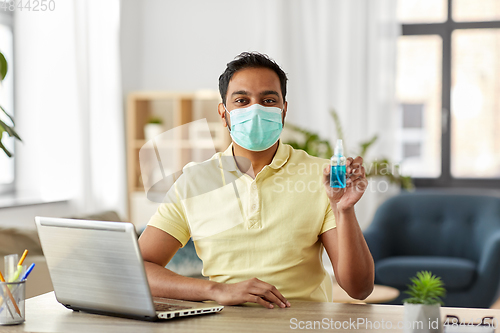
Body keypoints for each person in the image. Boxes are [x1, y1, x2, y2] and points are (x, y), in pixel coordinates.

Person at [138, 52, 374, 309]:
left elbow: (359, 288)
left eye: (268, 100)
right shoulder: (193, 182)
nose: (256, 109)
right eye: (242, 100)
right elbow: (139, 268)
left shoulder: (322, 177)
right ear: (223, 112)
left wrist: (344, 209)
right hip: (223, 324)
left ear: (284, 110)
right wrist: (216, 290)